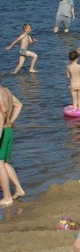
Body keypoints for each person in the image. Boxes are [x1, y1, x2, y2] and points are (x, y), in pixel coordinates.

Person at [0, 78, 24, 206]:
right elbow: (19, 105)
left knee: (0, 165)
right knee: (4, 163)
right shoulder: (6, 90)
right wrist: (11, 121)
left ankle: (7, 197)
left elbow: (3, 110)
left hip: (2, 130)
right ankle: (19, 189)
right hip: (8, 129)